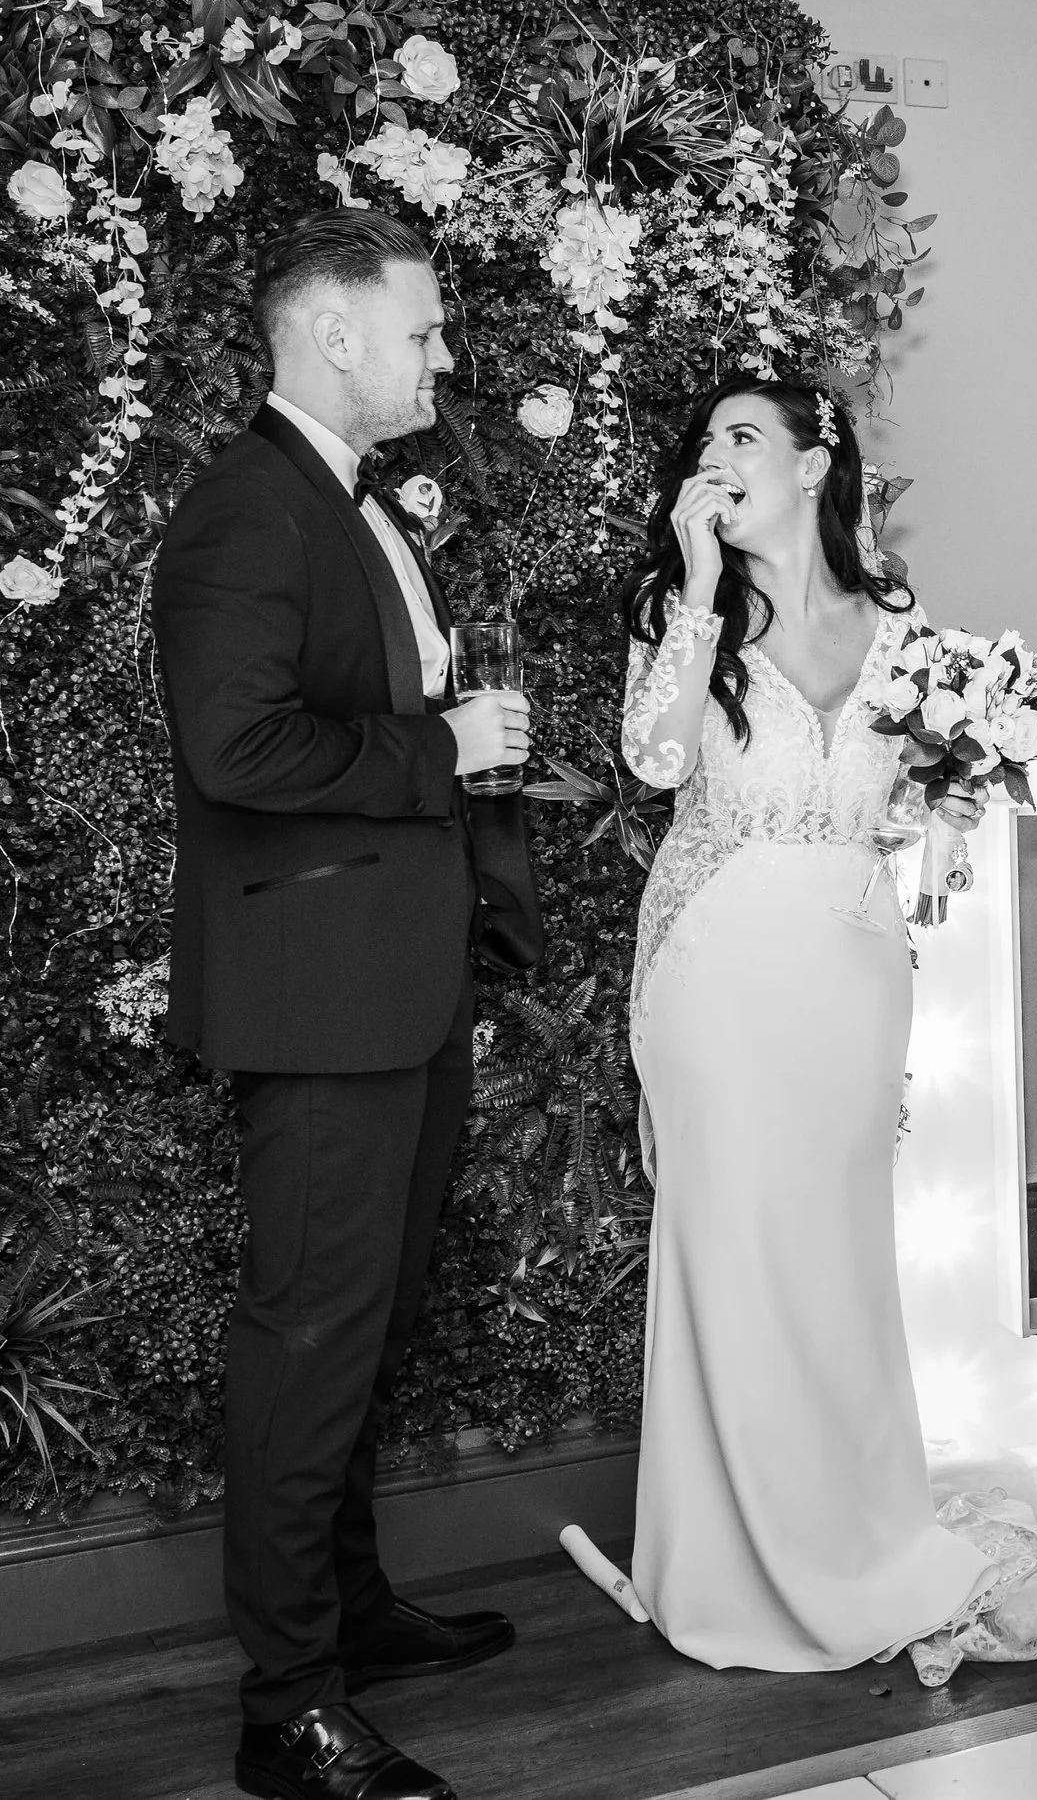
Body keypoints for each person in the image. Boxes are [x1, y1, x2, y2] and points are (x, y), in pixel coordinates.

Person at [620, 377, 1037, 1705]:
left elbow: (921, 794)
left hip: (854, 965)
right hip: (717, 964)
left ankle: (852, 1529)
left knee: (835, 1258)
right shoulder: (686, 609)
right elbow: (654, 761)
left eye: (744, 438)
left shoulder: (901, 626)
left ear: (816, 464)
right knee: (732, 1251)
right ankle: (730, 1560)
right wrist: (696, 582)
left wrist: (948, 801)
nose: (716, 460)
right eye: (704, 444)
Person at [154, 209, 537, 1800]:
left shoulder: (345, 500)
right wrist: (441, 748)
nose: (442, 354)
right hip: (322, 1001)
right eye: (423, 329)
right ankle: (287, 1708)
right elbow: (237, 749)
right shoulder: (249, 510)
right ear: (330, 333)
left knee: (367, 1326)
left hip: (396, 986)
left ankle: (348, 1609)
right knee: (308, 1337)